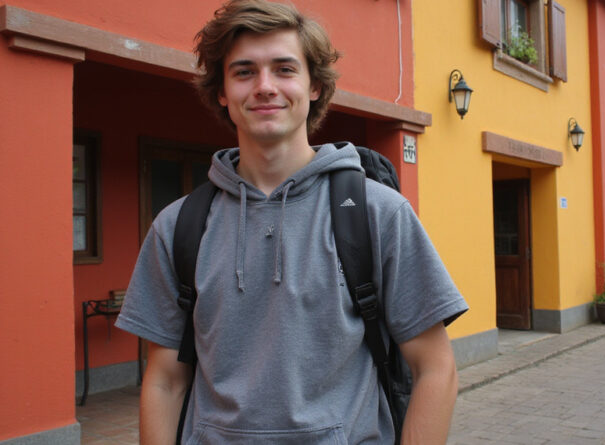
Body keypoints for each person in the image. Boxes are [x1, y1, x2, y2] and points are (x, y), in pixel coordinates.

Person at [115, 2, 469, 444]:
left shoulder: (379, 214)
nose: (265, 87)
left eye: (284, 69)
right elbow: (166, 379)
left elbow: (436, 368)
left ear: (315, 85)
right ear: (222, 91)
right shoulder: (178, 226)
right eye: (244, 72)